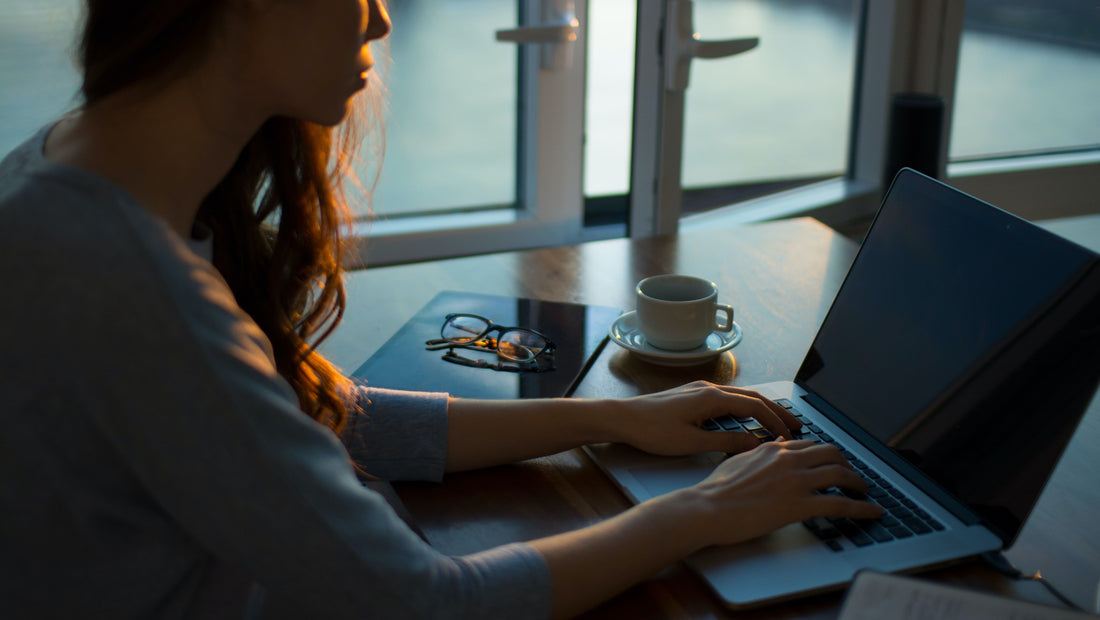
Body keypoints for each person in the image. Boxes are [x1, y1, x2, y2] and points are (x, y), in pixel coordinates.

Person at [0, 1, 881, 618]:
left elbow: (317, 419)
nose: (381, 19)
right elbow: (427, 603)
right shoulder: (135, 290)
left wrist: (618, 417)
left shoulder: (59, 175)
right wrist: (699, 513)